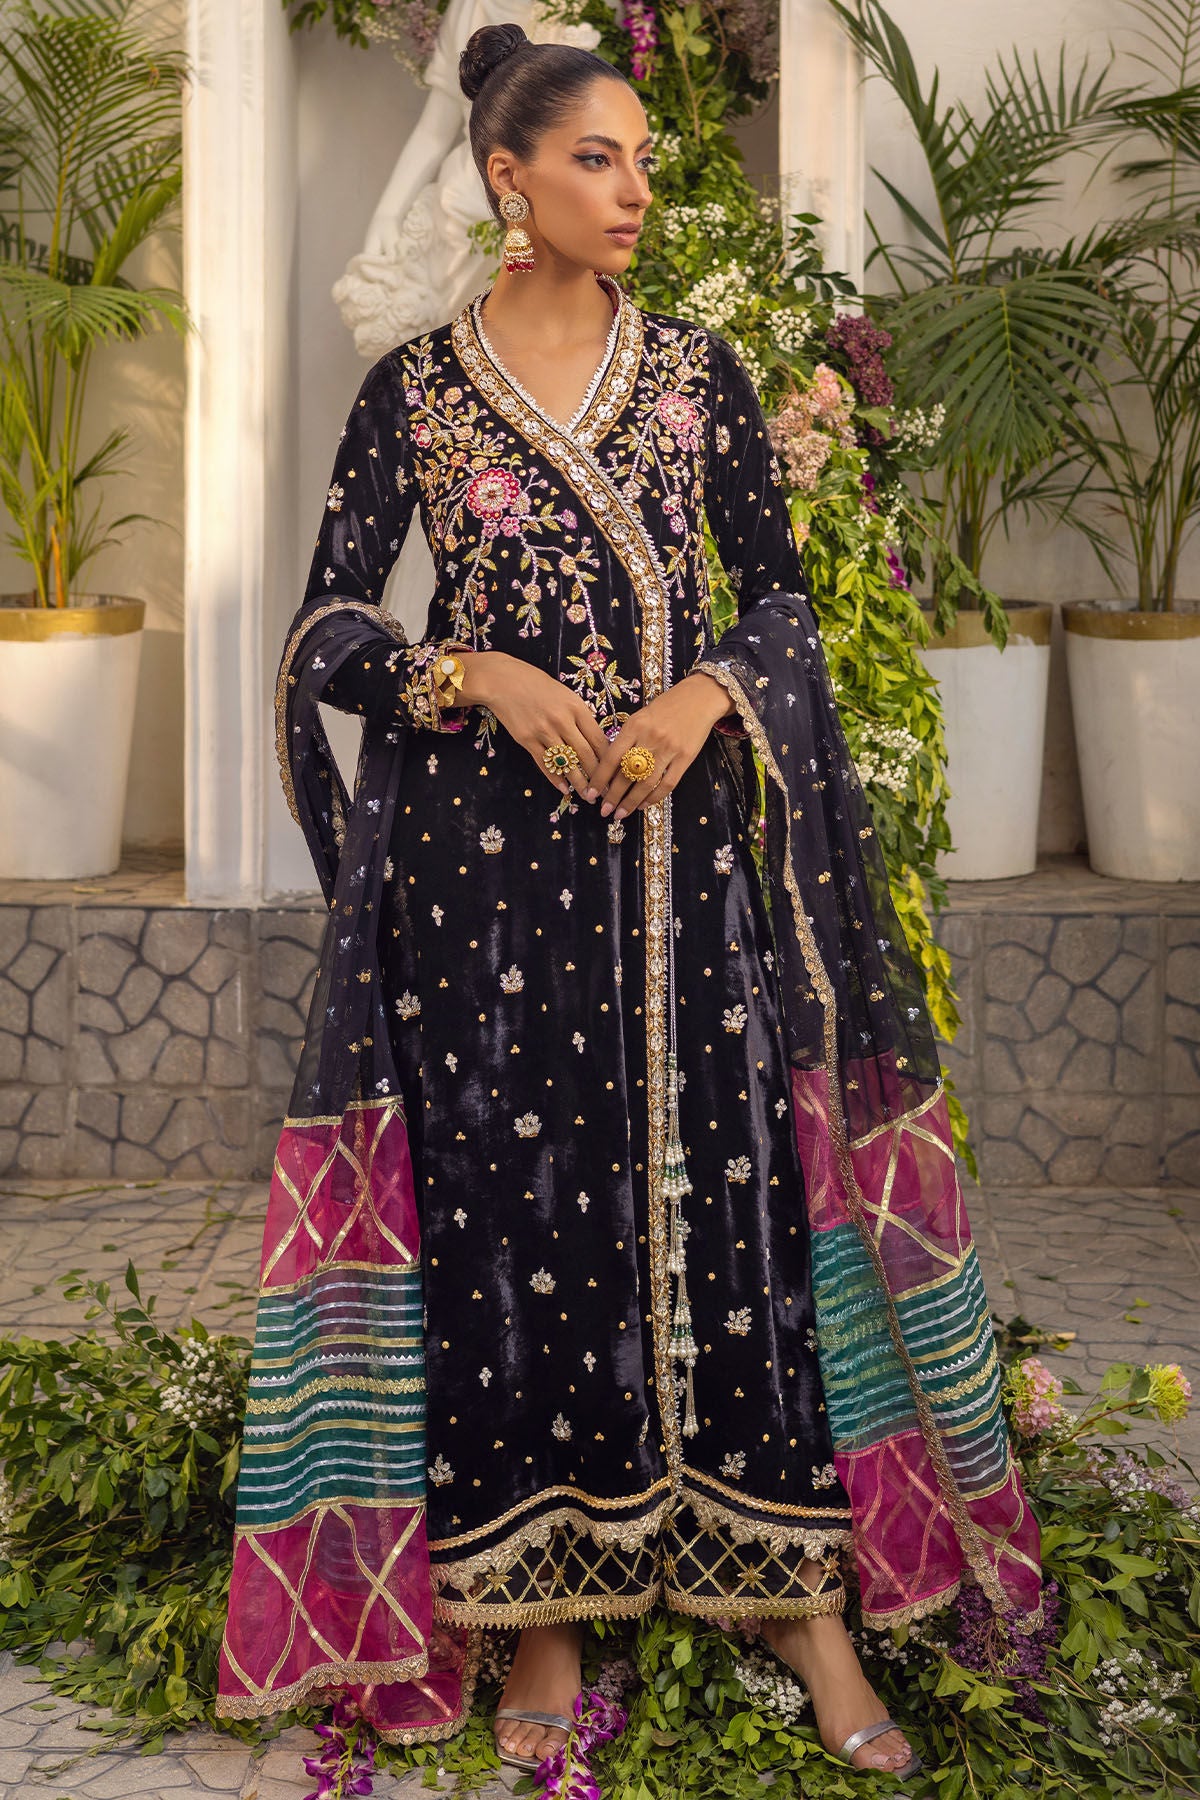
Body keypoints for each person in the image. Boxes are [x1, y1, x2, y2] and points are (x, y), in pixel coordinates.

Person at [216, 20, 1043, 1788]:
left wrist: (703, 700)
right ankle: (545, 1610)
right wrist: (476, 672)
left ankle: (794, 1593)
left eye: (646, 158)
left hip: (683, 863)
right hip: (484, 889)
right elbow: (326, 630)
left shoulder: (698, 375)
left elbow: (780, 605)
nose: (638, 188)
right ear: (507, 179)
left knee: (728, 1192)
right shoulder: (416, 393)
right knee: (517, 1216)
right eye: (599, 158)